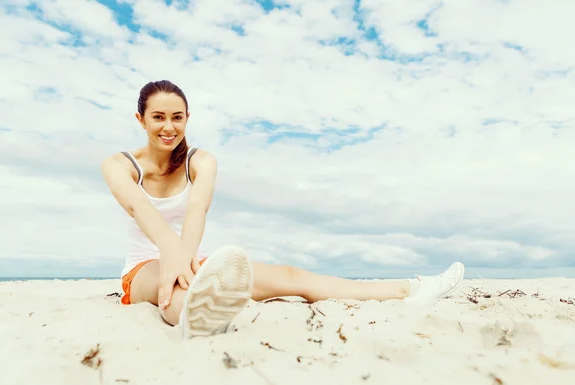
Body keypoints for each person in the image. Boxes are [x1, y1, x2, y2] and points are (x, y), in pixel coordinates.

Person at [101, 80, 465, 339]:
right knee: (180, 296)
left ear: (187, 118)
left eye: (177, 117)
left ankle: (411, 290)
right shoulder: (119, 165)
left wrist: (187, 260)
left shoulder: (202, 161)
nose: (169, 127)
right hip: (144, 269)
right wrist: (174, 259)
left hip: (196, 260)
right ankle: (202, 318)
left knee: (294, 277)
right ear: (141, 120)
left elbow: (198, 209)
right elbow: (139, 207)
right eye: (158, 117)